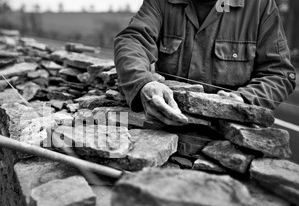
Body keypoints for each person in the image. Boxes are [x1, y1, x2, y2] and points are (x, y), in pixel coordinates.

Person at [114, 0, 297, 126]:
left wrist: (245, 100)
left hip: (228, 145)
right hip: (164, 129)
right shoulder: (161, 2)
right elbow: (133, 40)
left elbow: (279, 73)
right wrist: (144, 82)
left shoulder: (259, 6)